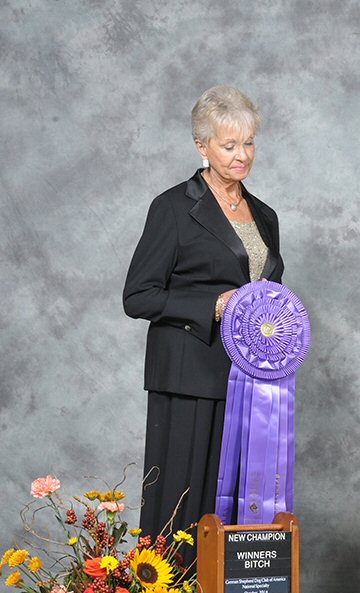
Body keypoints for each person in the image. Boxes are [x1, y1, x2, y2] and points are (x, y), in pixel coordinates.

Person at [123, 85, 283, 545]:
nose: (241, 155)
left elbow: (268, 290)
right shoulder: (173, 208)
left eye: (248, 143)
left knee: (236, 500)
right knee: (184, 500)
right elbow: (138, 296)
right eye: (229, 145)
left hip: (251, 378)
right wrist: (212, 306)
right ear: (202, 146)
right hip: (188, 377)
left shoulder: (265, 216)